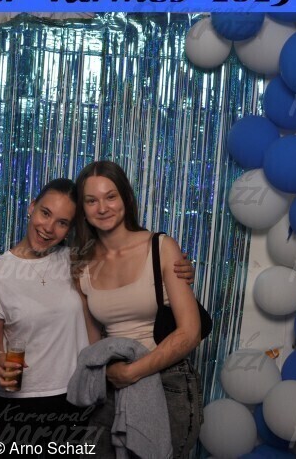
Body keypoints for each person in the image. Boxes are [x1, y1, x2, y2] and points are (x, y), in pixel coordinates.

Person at [0, 178, 196, 457]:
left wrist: (177, 267)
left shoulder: (79, 261)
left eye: (62, 222)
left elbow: (130, 263)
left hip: (78, 397)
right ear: (31, 207)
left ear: (71, 228)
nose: (49, 228)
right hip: (19, 403)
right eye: (45, 213)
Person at [72, 161, 203, 459]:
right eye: (91, 200)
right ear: (83, 209)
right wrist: (111, 372)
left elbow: (190, 332)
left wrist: (133, 372)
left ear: (126, 198)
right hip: (113, 380)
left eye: (110, 196)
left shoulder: (161, 247)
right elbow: (94, 343)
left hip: (167, 380)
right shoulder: (82, 265)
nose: (102, 208)